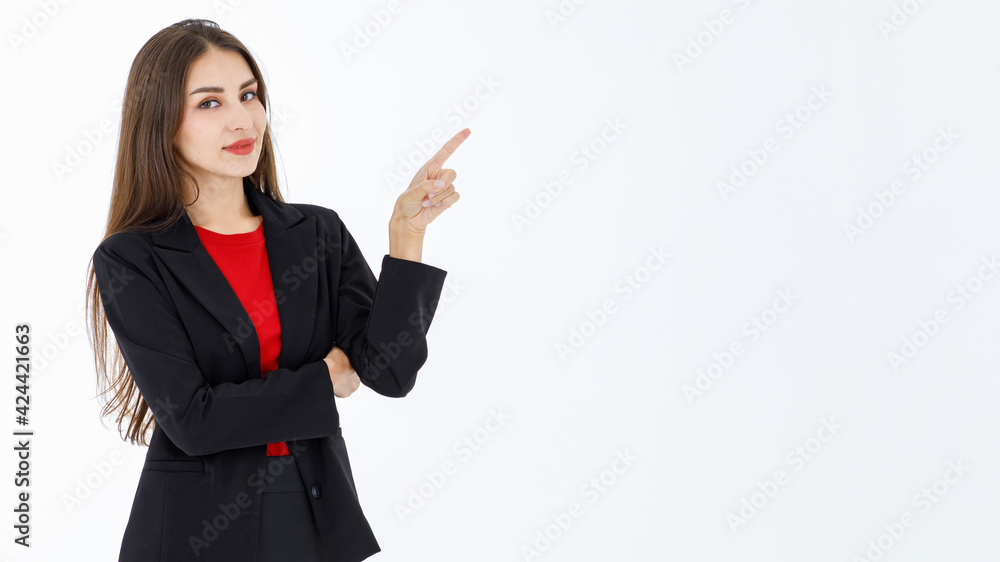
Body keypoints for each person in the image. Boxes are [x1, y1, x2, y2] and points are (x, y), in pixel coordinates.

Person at [84, 18, 469, 562]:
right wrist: (323, 380)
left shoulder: (317, 233)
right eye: (210, 103)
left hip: (314, 513)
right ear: (161, 123)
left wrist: (406, 237)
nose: (243, 119)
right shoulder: (131, 259)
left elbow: (389, 371)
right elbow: (194, 421)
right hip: (196, 532)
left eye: (249, 95)